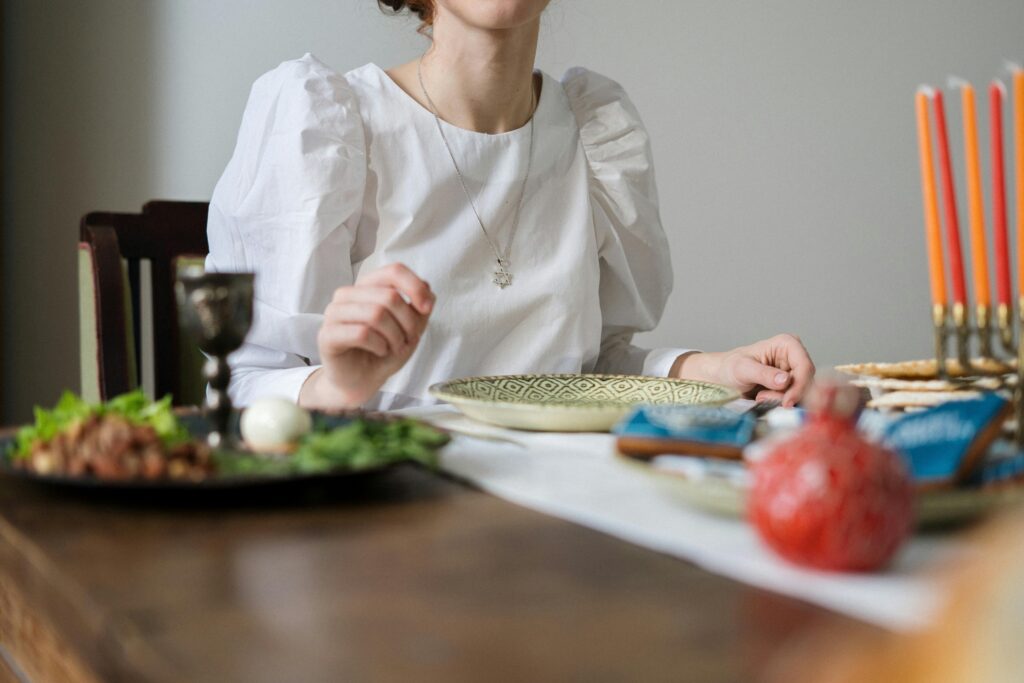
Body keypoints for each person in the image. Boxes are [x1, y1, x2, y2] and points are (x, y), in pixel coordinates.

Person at [206, 0, 815, 412]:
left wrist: (709, 370)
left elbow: (587, 369)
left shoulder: (597, 129)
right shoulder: (322, 122)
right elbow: (243, 382)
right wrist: (341, 384)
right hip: (383, 519)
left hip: (563, 514)